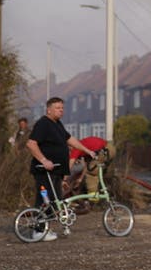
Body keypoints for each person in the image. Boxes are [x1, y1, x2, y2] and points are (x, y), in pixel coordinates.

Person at [26, 97, 98, 241]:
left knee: (56, 200)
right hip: (44, 171)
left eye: (62, 108)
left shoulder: (57, 124)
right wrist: (44, 160)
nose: (61, 111)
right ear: (49, 109)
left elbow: (70, 139)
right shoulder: (43, 124)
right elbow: (31, 143)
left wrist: (87, 150)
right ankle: (38, 231)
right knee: (45, 199)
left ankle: (46, 229)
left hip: (57, 171)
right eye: (58, 108)